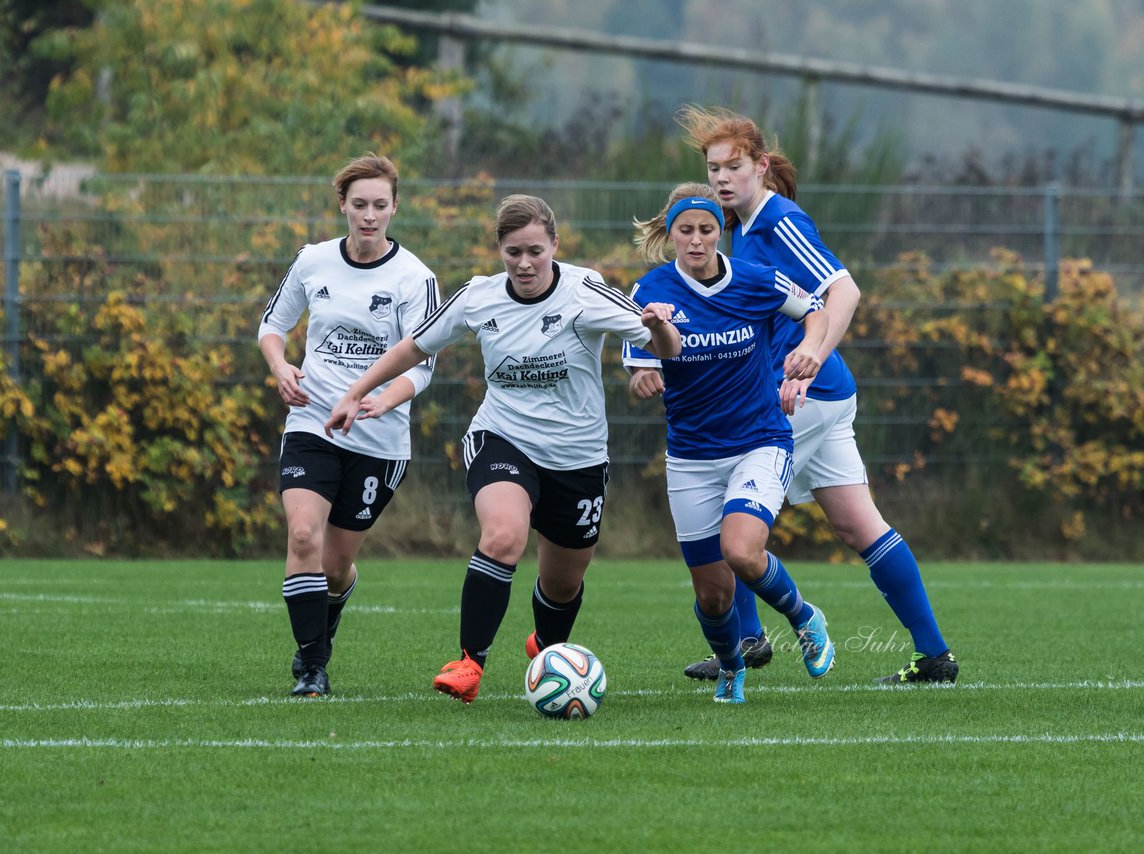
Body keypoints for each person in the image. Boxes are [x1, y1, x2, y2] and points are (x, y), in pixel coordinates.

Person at [327, 194, 681, 704]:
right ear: (500, 250)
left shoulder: (587, 291)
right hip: (502, 438)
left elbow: (666, 349)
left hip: (578, 457)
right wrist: (358, 392)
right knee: (503, 534)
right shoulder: (479, 296)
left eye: (535, 250)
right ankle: (470, 662)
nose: (524, 263)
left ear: (554, 246)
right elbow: (414, 346)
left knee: (562, 585)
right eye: (513, 252)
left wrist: (658, 326)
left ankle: (549, 647)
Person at [672, 105, 958, 685]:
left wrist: (810, 359)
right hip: (823, 396)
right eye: (713, 169)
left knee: (732, 509)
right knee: (860, 526)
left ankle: (749, 641)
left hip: (803, 396)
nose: (722, 179)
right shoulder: (745, 227)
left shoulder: (778, 222)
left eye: (733, 166)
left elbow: (844, 291)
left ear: (761, 166)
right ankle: (934, 657)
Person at [624, 182, 836, 705]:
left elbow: (817, 308)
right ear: (670, 233)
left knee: (741, 551)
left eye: (707, 230)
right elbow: (640, 368)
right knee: (712, 595)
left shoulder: (757, 280)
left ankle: (804, 618)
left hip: (760, 442)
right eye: (685, 231)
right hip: (692, 458)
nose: (696, 241)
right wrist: (642, 377)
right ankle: (730, 666)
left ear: (722, 231)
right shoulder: (648, 291)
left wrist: (811, 346)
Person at [257, 154, 441, 698]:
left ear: (394, 208)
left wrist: (383, 401)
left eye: (379, 206)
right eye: (359, 204)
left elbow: (424, 363)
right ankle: (313, 666)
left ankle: (325, 615)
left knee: (336, 568)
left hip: (379, 440)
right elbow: (273, 325)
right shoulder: (312, 261)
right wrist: (280, 365)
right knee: (303, 535)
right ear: (342, 204)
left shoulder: (416, 277)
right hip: (312, 421)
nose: (368, 216)